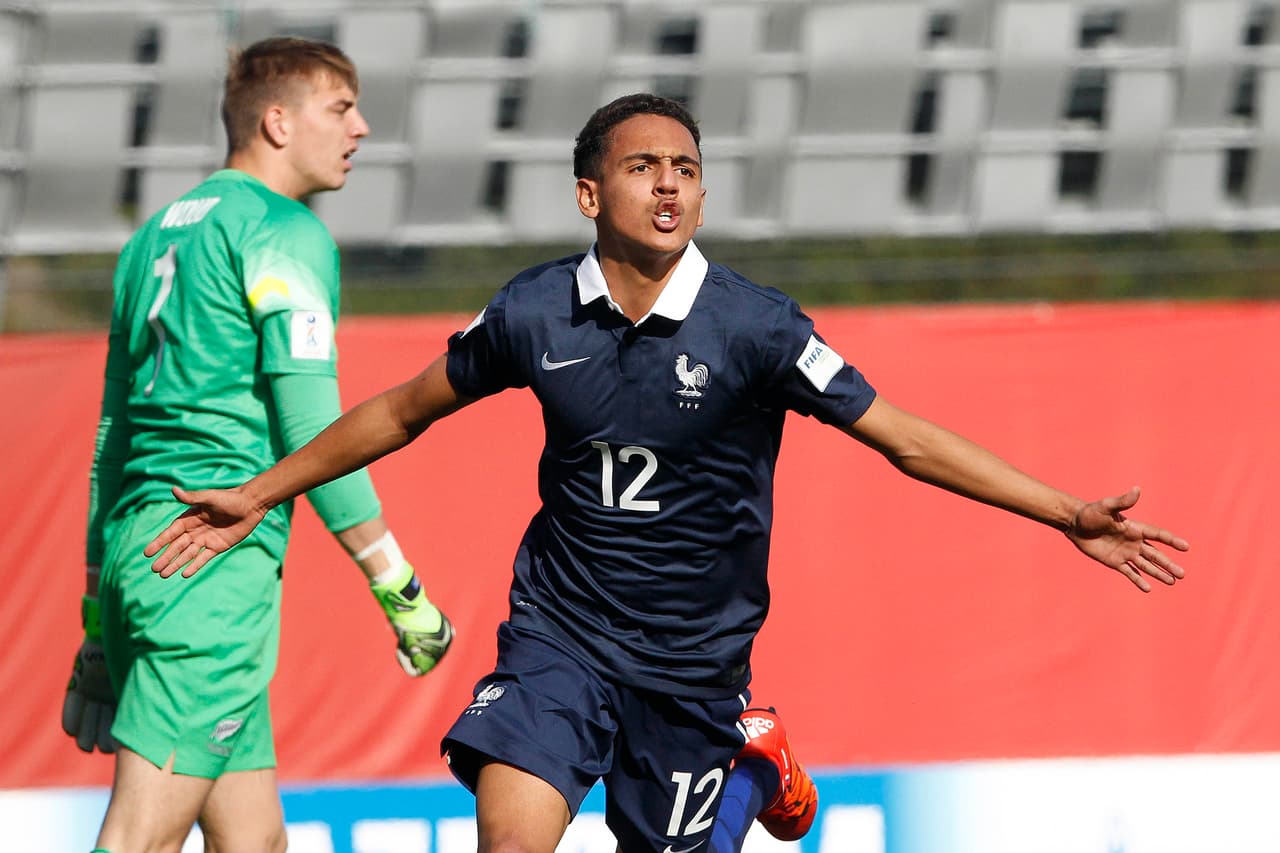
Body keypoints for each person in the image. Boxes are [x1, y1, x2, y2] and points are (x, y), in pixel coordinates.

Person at [144, 92, 1189, 852]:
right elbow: (399, 410)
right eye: (645, 167)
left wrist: (1063, 512)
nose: (669, 185)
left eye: (686, 169)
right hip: (560, 632)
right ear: (590, 192)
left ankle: (751, 754)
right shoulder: (531, 313)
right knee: (509, 839)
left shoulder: (756, 326)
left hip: (694, 659)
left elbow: (905, 438)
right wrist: (259, 490)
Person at [61, 37, 453, 853]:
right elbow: (313, 428)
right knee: (140, 836)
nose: (362, 128)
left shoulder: (151, 238)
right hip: (209, 561)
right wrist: (397, 585)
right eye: (341, 108)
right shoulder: (283, 231)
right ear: (277, 121)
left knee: (256, 839)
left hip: (143, 558)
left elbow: (112, 438)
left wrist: (101, 622)